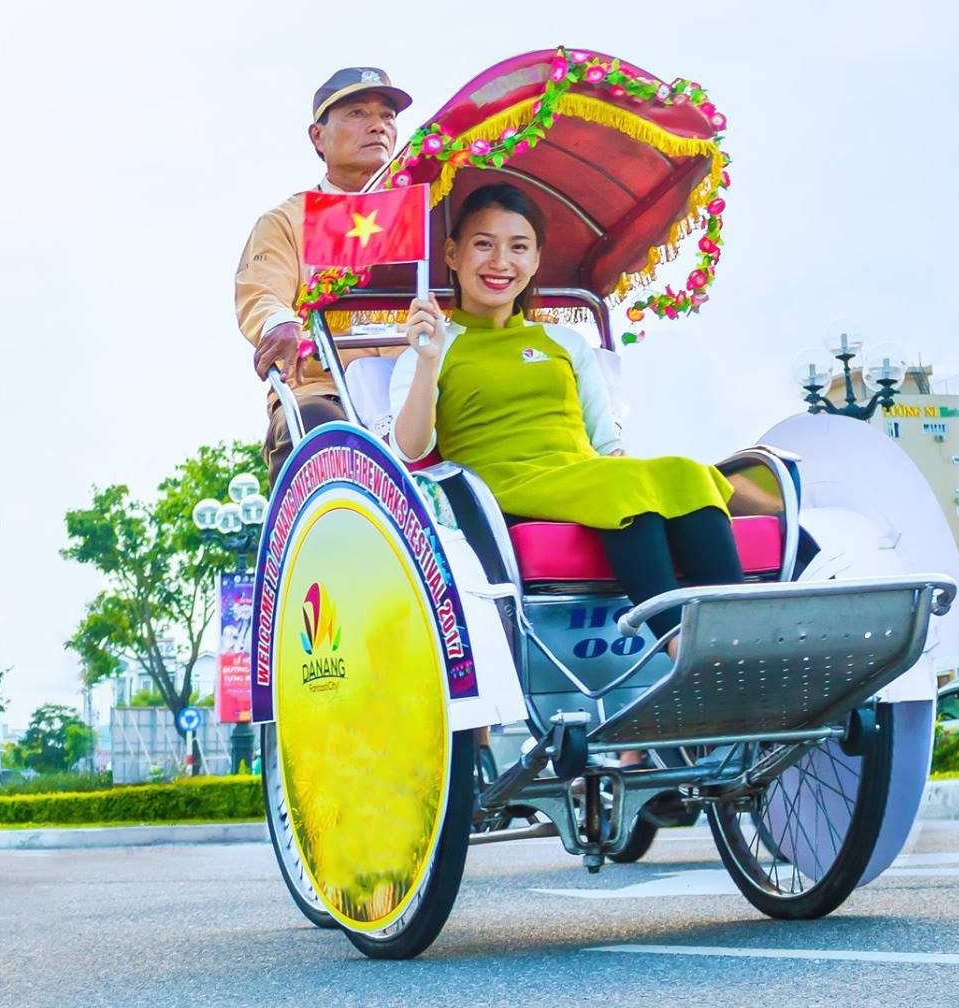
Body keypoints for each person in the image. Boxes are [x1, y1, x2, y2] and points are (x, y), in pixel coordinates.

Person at [390, 182, 745, 639]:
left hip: (583, 475)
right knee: (619, 484)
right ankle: (677, 648)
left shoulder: (565, 342)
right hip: (502, 487)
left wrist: (650, 486)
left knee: (685, 472)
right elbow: (411, 448)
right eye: (484, 245)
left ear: (536, 259)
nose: (501, 262)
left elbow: (606, 445)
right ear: (453, 254)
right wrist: (427, 360)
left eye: (518, 247)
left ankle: (736, 638)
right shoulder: (433, 348)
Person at [236, 67, 413, 473]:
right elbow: (261, 293)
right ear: (318, 136)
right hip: (326, 389)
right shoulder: (288, 220)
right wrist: (279, 322)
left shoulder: (423, 214)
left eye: (387, 116)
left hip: (419, 387)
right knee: (318, 428)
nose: (377, 127)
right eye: (357, 113)